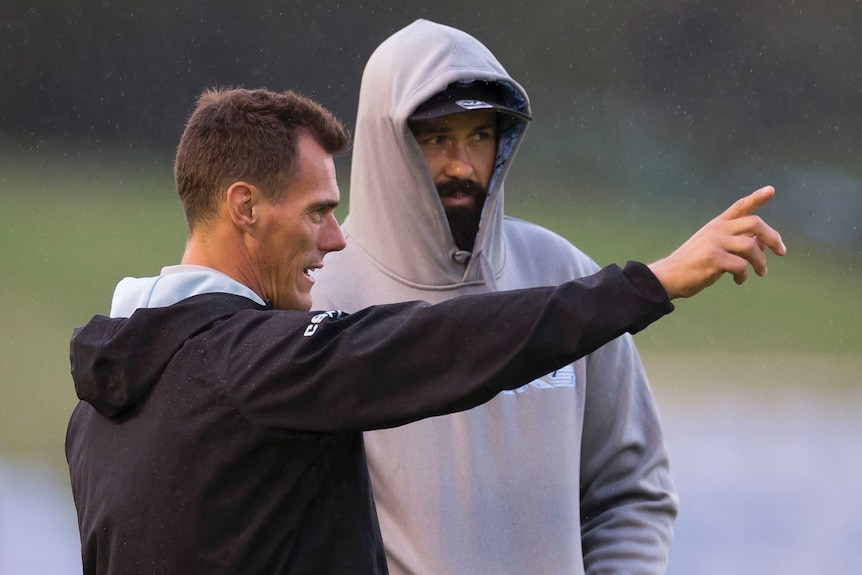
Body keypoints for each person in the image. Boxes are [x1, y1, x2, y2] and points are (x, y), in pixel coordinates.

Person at [66, 87, 784, 575]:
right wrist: (652, 281)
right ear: (244, 208)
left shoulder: (97, 411)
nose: (336, 240)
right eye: (318, 212)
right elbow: (446, 343)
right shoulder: (258, 365)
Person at [310, 19, 783, 575]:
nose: (462, 165)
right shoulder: (315, 298)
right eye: (437, 139)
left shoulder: (564, 274)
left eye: (480, 136)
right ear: (386, 141)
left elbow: (631, 491)